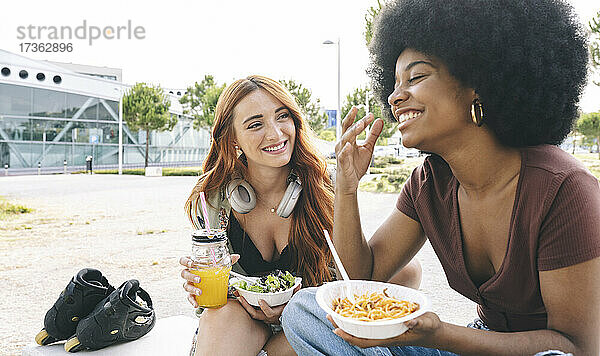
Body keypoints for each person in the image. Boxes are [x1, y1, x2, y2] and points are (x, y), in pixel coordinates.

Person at [280, 0, 600, 355]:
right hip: (472, 343)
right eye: (395, 81)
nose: (395, 96)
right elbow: (358, 279)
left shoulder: (564, 189)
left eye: (416, 77)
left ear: (479, 82)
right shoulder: (429, 184)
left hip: (537, 350)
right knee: (307, 310)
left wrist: (439, 335)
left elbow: (578, 347)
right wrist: (347, 187)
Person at [178, 75, 423, 356]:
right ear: (232, 138)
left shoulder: (326, 184)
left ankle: (271, 350)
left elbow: (348, 276)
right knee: (220, 317)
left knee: (406, 270)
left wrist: (295, 305)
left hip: (308, 310)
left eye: (282, 117)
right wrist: (200, 281)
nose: (275, 133)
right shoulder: (213, 199)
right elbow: (209, 296)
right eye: (256, 124)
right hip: (244, 316)